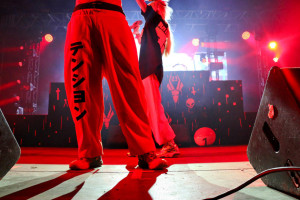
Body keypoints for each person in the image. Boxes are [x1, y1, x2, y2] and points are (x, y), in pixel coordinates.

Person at [64, 0, 168, 170]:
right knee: (81, 84)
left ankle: (145, 150)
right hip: (81, 15)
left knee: (129, 83)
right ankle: (89, 153)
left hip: (112, 13)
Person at [134, 0, 180, 158]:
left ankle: (169, 144)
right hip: (151, 68)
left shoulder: (154, 18)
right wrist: (136, 32)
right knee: (147, 110)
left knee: (153, 108)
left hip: (149, 68)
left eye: (150, 4)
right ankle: (144, 147)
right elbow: (143, 42)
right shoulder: (162, 25)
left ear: (156, 8)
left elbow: (140, 2)